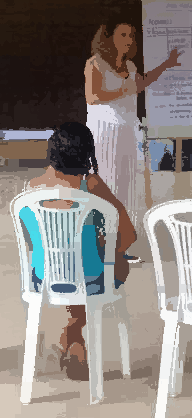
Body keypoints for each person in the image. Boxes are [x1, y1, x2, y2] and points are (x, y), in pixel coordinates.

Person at [17, 123, 136, 381]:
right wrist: (107, 251)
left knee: (70, 267)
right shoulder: (90, 185)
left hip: (42, 279)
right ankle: (72, 335)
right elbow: (128, 235)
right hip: (90, 279)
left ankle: (73, 340)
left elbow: (32, 241)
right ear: (86, 154)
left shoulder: (31, 188)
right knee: (111, 265)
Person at [85, 22, 180, 254]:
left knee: (125, 186)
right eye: (123, 34)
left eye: (131, 35)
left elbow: (140, 84)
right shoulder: (95, 63)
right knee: (105, 184)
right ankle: (100, 245)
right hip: (104, 132)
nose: (128, 39)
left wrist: (166, 65)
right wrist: (124, 90)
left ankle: (120, 247)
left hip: (127, 131)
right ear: (109, 37)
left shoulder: (129, 65)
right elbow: (92, 96)